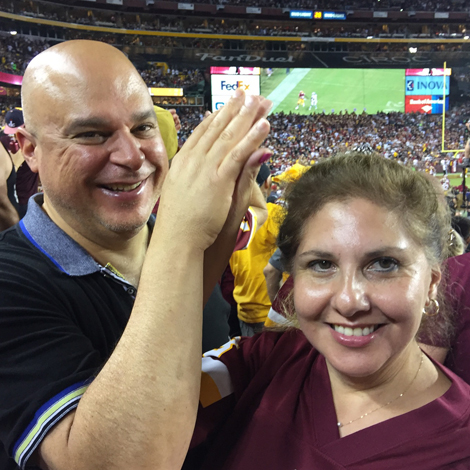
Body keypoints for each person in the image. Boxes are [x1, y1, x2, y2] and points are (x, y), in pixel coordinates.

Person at [0, 40, 272, 470]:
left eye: (143, 128)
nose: (132, 157)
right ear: (29, 149)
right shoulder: (11, 283)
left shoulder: (188, 249)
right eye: (91, 134)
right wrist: (182, 238)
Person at [187, 153, 470, 469]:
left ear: (431, 283)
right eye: (322, 264)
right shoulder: (266, 361)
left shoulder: (459, 446)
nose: (349, 301)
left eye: (384, 264)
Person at [229, 163, 283, 336]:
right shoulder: (272, 213)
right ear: (267, 183)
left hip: (243, 307)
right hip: (269, 308)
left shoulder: (229, 218)